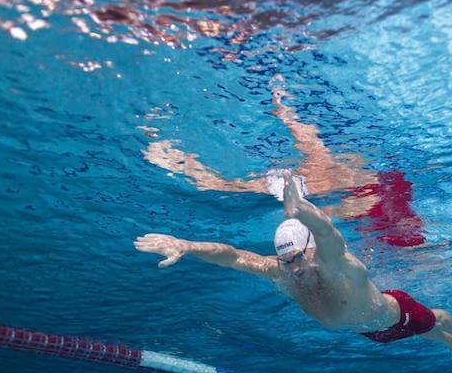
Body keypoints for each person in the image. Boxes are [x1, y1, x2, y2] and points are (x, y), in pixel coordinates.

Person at [135, 171, 452, 362]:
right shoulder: (282, 270)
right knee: (426, 336)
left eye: (298, 258)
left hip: (395, 311)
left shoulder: (334, 261)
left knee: (436, 321)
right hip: (370, 332)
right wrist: (186, 245)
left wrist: (299, 210)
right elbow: (231, 255)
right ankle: (446, 342)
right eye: (286, 261)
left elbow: (327, 231)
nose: (294, 268)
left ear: (310, 249)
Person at [142, 75, 426, 247]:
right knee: (228, 185)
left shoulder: (389, 196)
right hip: (332, 183)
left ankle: (281, 105)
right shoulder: (373, 204)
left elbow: (333, 212)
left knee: (304, 145)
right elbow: (323, 215)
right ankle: (172, 159)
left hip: (341, 179)